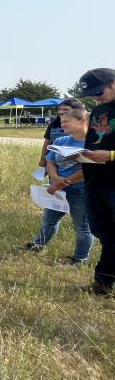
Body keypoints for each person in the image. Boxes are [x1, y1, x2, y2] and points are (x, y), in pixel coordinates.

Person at [22, 109, 94, 265]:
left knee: (82, 227)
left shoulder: (93, 142)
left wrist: (64, 181)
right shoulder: (61, 141)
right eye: (61, 122)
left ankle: (80, 259)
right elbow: (51, 160)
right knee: (49, 220)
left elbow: (89, 169)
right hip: (59, 190)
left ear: (82, 121)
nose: (62, 125)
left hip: (80, 191)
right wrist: (55, 178)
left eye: (66, 121)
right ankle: (37, 245)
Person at [77, 68, 115, 295]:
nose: (95, 97)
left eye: (98, 91)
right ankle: (102, 285)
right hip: (95, 182)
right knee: (106, 235)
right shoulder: (99, 110)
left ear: (113, 83)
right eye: (91, 94)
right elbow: (93, 143)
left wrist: (111, 156)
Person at [39, 98, 85, 167]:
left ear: (77, 111)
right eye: (59, 109)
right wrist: (42, 159)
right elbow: (47, 143)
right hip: (54, 164)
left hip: (77, 166)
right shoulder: (53, 125)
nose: (61, 112)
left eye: (65, 110)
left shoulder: (85, 126)